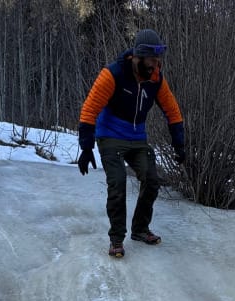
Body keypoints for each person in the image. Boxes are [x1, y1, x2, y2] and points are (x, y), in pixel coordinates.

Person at [78, 29, 186, 258]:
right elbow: (89, 110)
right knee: (117, 184)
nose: (155, 66)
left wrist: (179, 143)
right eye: (151, 61)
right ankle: (116, 239)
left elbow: (172, 110)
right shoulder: (113, 74)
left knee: (152, 180)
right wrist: (86, 148)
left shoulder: (156, 79)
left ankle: (140, 229)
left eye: (158, 61)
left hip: (137, 139)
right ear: (138, 57)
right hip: (110, 136)